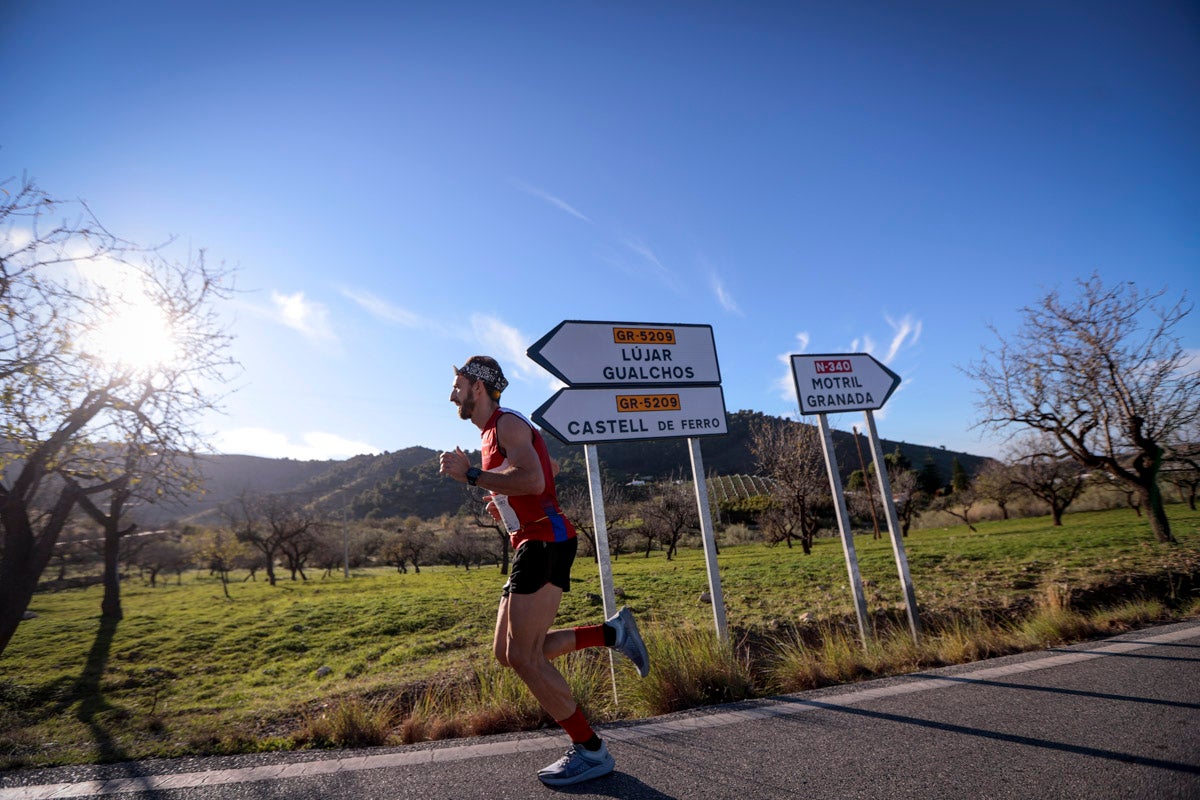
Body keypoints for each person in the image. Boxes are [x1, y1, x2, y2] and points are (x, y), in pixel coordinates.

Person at [438, 355, 650, 787]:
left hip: (545, 540)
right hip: (531, 541)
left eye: (458, 383)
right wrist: (502, 499)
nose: (452, 393)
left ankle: (591, 751)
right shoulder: (490, 434)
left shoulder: (507, 424)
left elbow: (534, 481)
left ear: (478, 385)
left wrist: (474, 476)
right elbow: (537, 477)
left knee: (524, 656)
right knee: (508, 653)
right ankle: (612, 634)